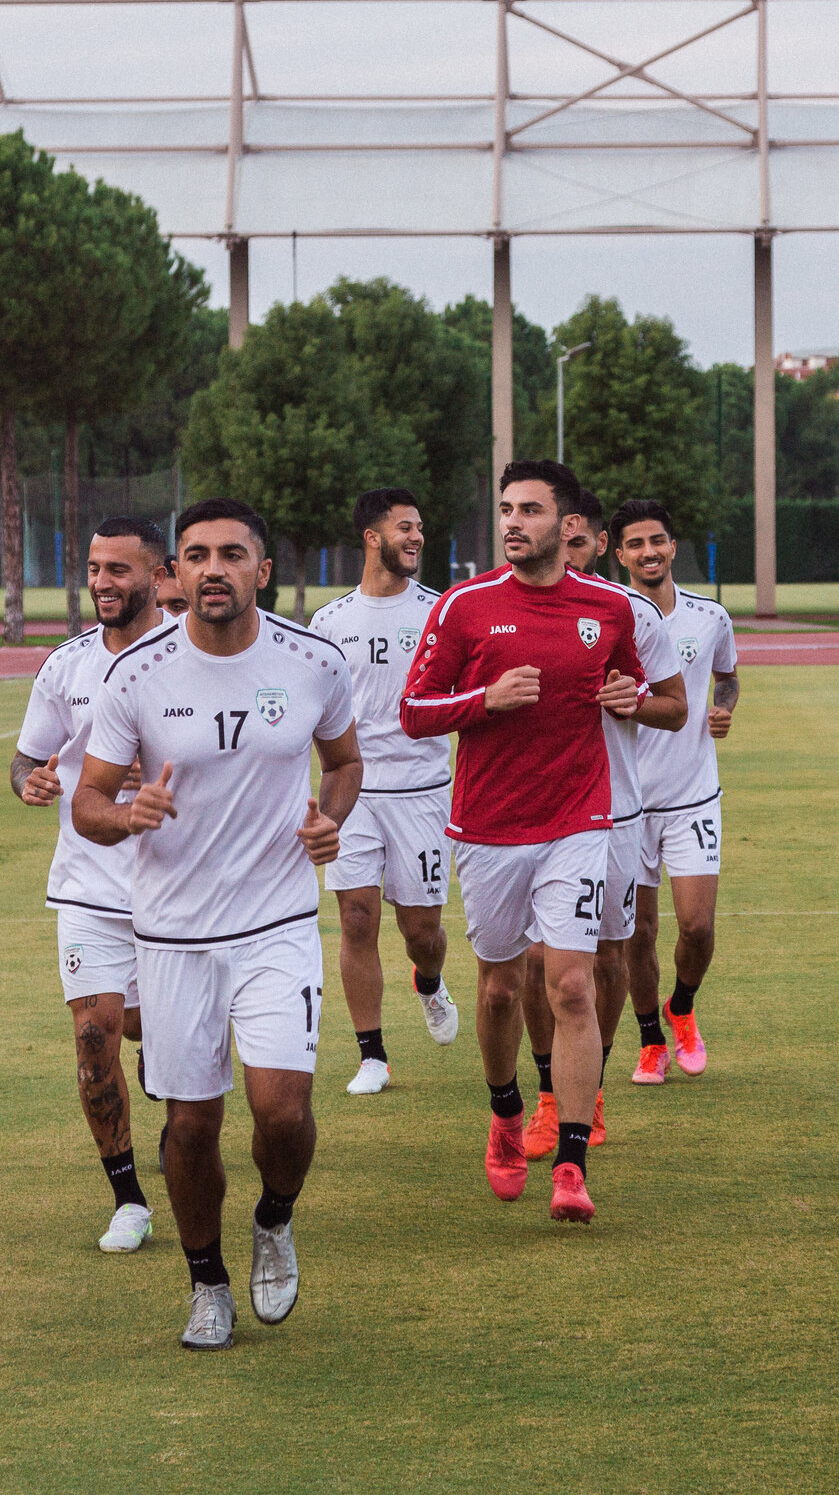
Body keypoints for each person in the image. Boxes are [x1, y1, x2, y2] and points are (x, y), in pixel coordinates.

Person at [73, 498, 362, 1352]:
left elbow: (344, 762)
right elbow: (89, 801)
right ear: (177, 574)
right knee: (191, 1127)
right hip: (170, 937)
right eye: (195, 554)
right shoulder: (137, 676)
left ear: (260, 571)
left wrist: (329, 820)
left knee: (281, 1110)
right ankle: (206, 1282)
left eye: (231, 554)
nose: (211, 568)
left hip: (276, 921)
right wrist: (129, 815)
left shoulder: (313, 661)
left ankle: (274, 1217)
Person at [400, 461, 663, 1225]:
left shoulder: (607, 609)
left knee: (572, 985)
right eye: (507, 509)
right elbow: (414, 711)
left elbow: (639, 690)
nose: (514, 522)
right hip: (487, 827)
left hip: (580, 821)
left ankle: (573, 1163)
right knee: (498, 989)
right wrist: (486, 700)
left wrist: (632, 697)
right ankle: (507, 1112)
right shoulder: (465, 607)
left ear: (566, 525)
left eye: (531, 511)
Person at [11, 516, 169, 1253]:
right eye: (94, 568)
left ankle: (167, 1069)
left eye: (119, 570)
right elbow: (25, 757)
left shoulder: (192, 656)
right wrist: (31, 781)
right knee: (93, 1036)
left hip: (177, 888)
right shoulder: (65, 667)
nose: (103, 583)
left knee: (147, 1031)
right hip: (86, 884)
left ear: (157, 575)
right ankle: (129, 1198)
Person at [518, 490, 685, 1159]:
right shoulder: (508, 607)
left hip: (615, 809)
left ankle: (589, 1086)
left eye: (581, 544)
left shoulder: (629, 612)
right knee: (538, 964)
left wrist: (636, 700)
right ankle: (549, 1096)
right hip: (534, 809)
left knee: (608, 957)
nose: (573, 555)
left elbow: (675, 708)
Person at [309, 489, 458, 1097]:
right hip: (353, 793)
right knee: (356, 917)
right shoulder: (329, 622)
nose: (416, 537)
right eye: (404, 528)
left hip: (423, 792)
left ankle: (428, 981)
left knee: (421, 930)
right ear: (373, 538)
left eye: (420, 527)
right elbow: (312, 712)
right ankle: (373, 1054)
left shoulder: (440, 612)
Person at [610, 498, 738, 1084]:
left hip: (692, 796)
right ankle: (650, 1040)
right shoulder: (609, 622)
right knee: (639, 931)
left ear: (673, 546)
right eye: (635, 544)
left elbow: (728, 677)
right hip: (627, 803)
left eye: (656, 540)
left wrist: (722, 708)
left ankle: (681, 1006)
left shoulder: (710, 617)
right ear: (620, 555)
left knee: (697, 928)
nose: (648, 552)